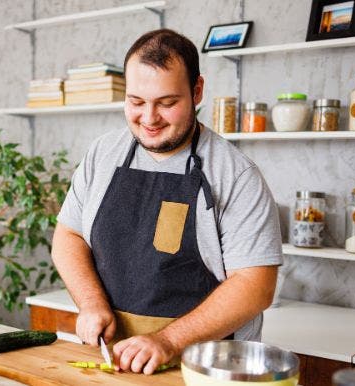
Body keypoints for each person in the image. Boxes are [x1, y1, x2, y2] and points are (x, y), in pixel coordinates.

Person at [51, 28, 283, 375]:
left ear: (197, 91)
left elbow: (255, 286)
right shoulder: (102, 155)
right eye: (136, 102)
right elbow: (67, 238)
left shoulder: (237, 175)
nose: (149, 118)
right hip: (116, 363)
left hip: (206, 368)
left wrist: (169, 341)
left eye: (167, 103)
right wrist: (91, 303)